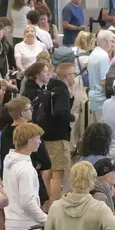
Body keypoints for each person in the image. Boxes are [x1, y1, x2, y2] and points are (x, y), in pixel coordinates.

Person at [43, 62, 76, 207]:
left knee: (48, 170)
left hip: (47, 135)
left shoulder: (51, 88)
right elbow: (61, 112)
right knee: (58, 173)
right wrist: (71, 117)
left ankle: (47, 201)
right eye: (73, 74)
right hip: (58, 136)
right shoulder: (61, 90)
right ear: (66, 76)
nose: (75, 77)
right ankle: (54, 205)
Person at [88, 30, 115, 122]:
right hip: (101, 100)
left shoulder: (94, 53)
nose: (113, 44)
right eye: (112, 41)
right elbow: (104, 81)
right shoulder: (104, 57)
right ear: (106, 41)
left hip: (94, 97)